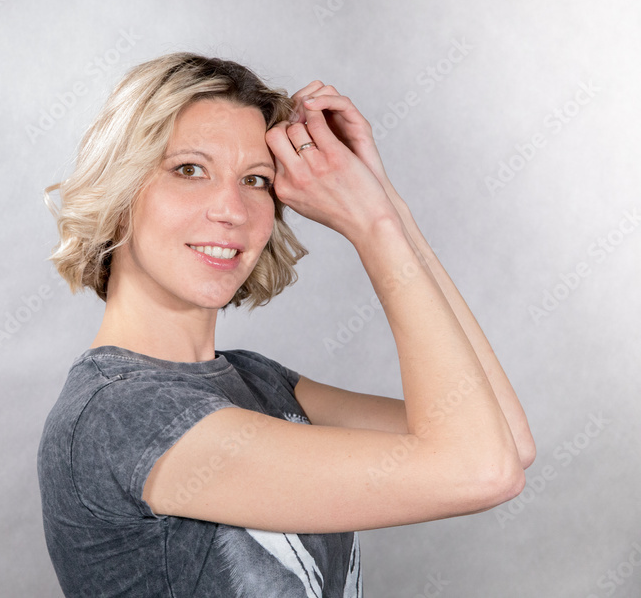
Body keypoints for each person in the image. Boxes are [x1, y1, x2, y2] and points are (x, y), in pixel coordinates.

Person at [37, 52, 535, 597]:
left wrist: (386, 205)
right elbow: (480, 470)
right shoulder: (120, 415)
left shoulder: (258, 380)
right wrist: (372, 225)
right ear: (119, 193)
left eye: (255, 179)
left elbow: (506, 442)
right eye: (189, 170)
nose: (231, 209)